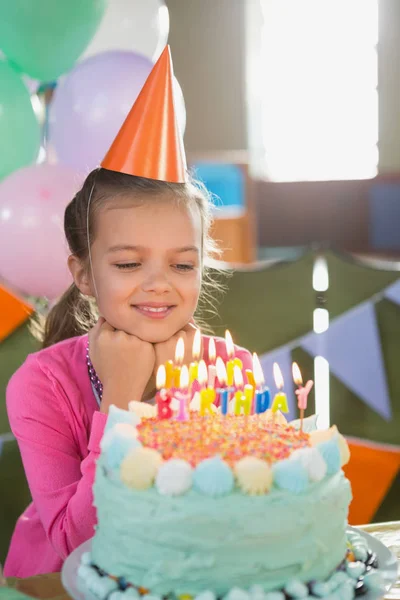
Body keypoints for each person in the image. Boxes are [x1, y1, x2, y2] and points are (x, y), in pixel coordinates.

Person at [4, 47, 252, 577]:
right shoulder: (41, 385)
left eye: (182, 265)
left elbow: (239, 518)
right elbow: (76, 545)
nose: (159, 284)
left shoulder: (235, 373)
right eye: (129, 263)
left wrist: (181, 393)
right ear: (85, 274)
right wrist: (119, 400)